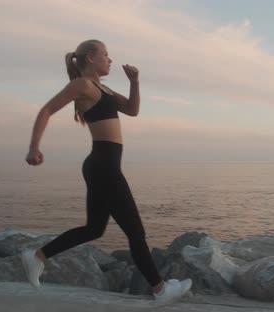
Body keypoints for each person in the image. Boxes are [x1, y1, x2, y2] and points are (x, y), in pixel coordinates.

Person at [21, 39, 192, 302]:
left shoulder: (105, 89)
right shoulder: (83, 85)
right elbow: (47, 109)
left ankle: (37, 256)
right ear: (90, 57)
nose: (110, 60)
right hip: (103, 165)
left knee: (94, 229)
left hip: (103, 165)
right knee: (136, 232)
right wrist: (34, 147)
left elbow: (133, 110)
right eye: (105, 55)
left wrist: (134, 81)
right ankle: (160, 289)